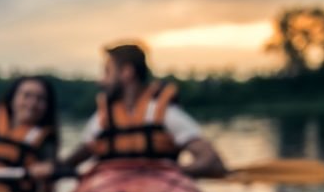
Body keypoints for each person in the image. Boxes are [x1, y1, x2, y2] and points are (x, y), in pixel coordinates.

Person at [51, 43, 227, 178]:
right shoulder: (102, 120)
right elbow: (70, 164)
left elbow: (211, 161)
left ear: (127, 72)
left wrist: (171, 173)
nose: (101, 81)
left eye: (107, 71)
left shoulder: (165, 114)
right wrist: (52, 169)